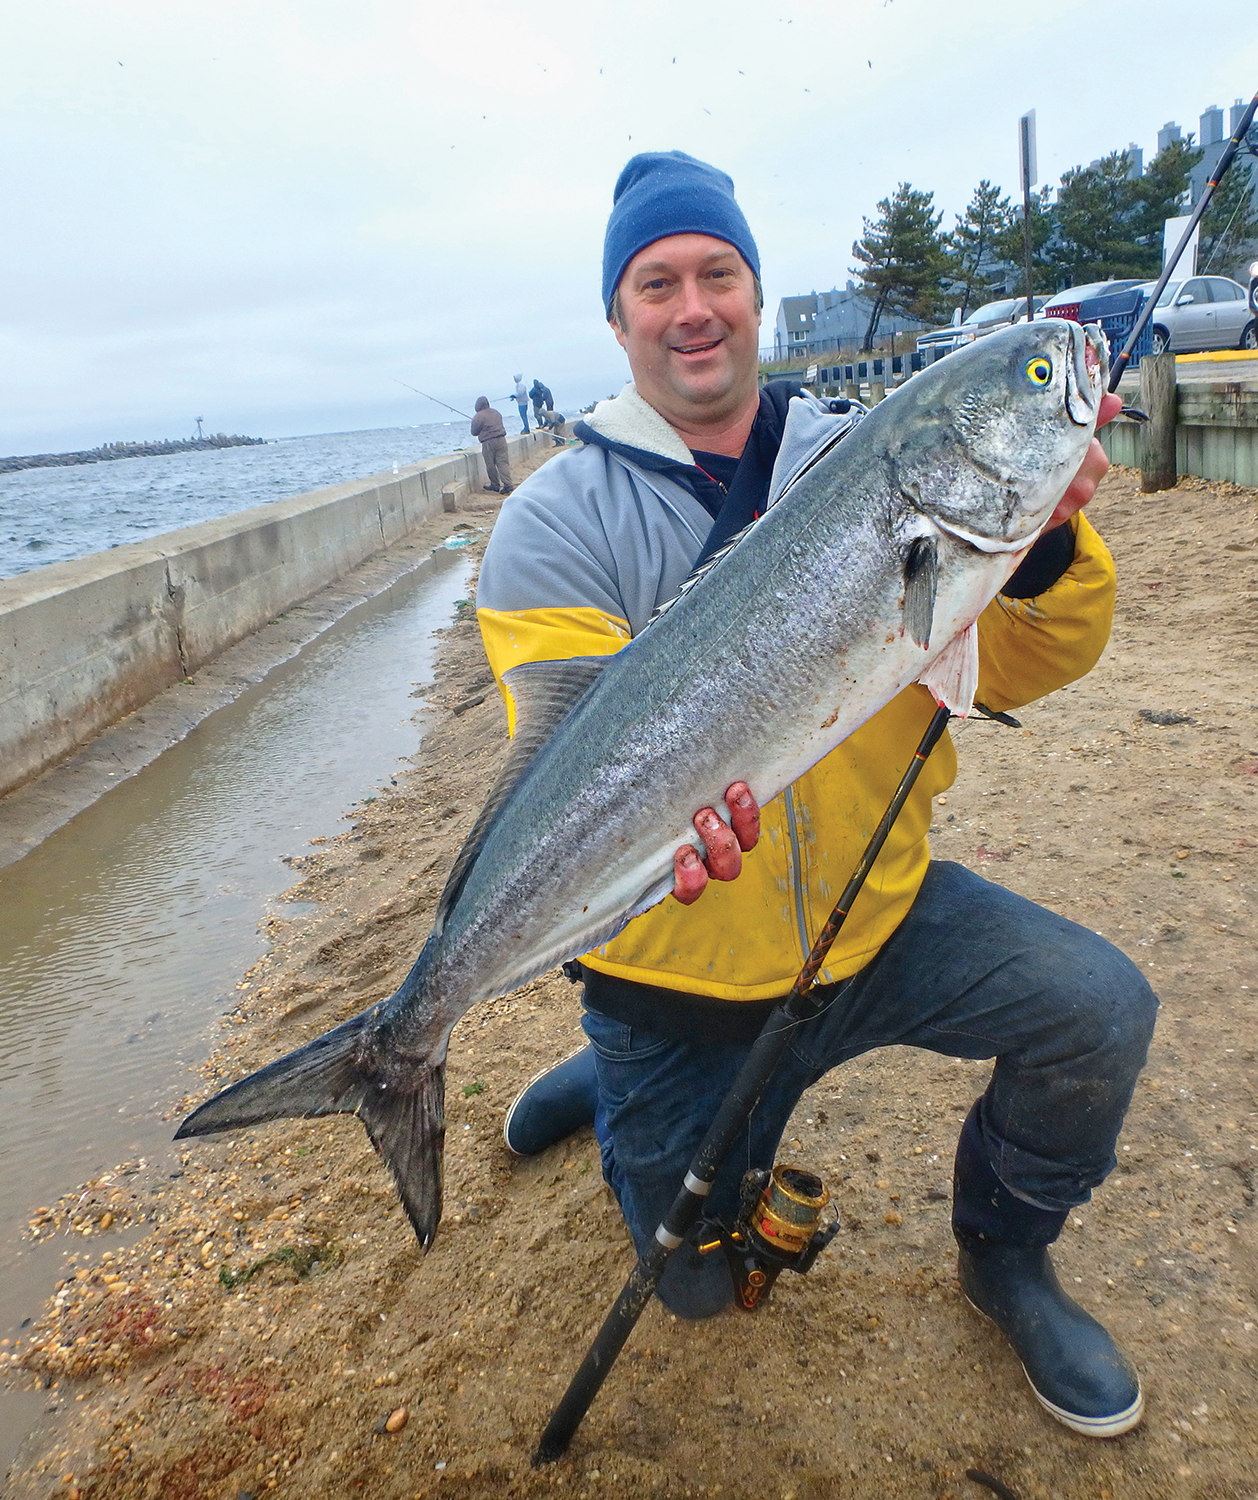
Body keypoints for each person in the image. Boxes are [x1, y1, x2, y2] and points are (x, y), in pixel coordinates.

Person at [472, 150, 1155, 1439]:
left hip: (872, 919)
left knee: (1099, 1010)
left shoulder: (868, 458)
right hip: (675, 979)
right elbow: (557, 755)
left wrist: (1045, 541)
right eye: (657, 282)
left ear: (755, 297)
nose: (692, 306)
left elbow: (1020, 661)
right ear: (616, 320)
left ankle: (1005, 1256)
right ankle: (609, 1078)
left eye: (717, 274)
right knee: (694, 1287)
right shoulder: (550, 527)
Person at [470, 396, 511, 493]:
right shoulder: (496, 413)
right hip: (501, 439)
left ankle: (495, 484)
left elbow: (474, 432)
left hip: (488, 442)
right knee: (502, 462)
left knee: (490, 464)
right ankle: (507, 483)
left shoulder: (478, 416)